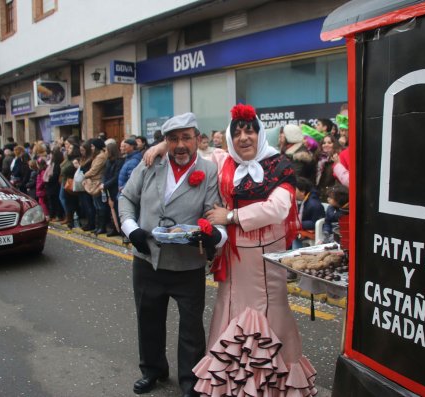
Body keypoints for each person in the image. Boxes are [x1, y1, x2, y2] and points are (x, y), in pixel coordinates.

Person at [146, 104, 317, 396]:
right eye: (237, 133)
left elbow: (278, 208)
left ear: (260, 133)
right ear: (229, 138)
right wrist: (166, 143)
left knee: (269, 313)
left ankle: (267, 384)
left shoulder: (279, 165)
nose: (244, 138)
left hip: (265, 261)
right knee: (229, 309)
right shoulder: (224, 161)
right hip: (233, 257)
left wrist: (232, 217)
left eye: (250, 131)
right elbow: (189, 153)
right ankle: (230, 384)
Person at [119, 112, 224, 397]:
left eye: (186, 138)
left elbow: (212, 213)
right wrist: (132, 230)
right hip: (147, 259)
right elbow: (127, 197)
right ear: (166, 142)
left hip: (188, 263)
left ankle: (190, 381)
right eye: (174, 139)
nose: (180, 145)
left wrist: (212, 234)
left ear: (197, 140)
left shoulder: (209, 170)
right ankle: (152, 370)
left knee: (192, 327)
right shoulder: (150, 162)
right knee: (148, 319)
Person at [83, 138, 108, 235]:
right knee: (97, 206)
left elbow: (94, 170)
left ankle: (102, 227)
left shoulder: (101, 157)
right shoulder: (98, 156)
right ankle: (98, 227)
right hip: (94, 182)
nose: (92, 148)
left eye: (93, 146)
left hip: (98, 182)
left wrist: (84, 175)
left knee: (100, 206)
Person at [102, 142, 124, 237]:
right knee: (112, 209)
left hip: (115, 188)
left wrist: (105, 184)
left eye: (106, 150)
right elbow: (104, 174)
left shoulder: (119, 161)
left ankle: (121, 229)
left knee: (118, 209)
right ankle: (115, 228)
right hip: (108, 188)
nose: (105, 152)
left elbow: (116, 176)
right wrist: (104, 183)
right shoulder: (107, 161)